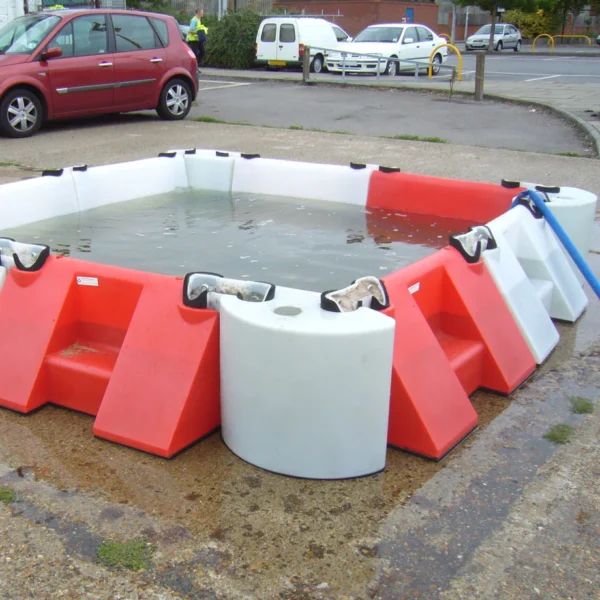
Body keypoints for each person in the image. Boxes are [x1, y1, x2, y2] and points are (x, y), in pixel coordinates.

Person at [187, 8, 208, 73]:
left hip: (197, 39)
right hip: (193, 40)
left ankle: (195, 66)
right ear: (198, 13)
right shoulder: (194, 20)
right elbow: (190, 30)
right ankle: (194, 68)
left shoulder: (198, 19)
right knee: (195, 54)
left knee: (202, 51)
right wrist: (199, 32)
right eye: (202, 12)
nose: (203, 13)